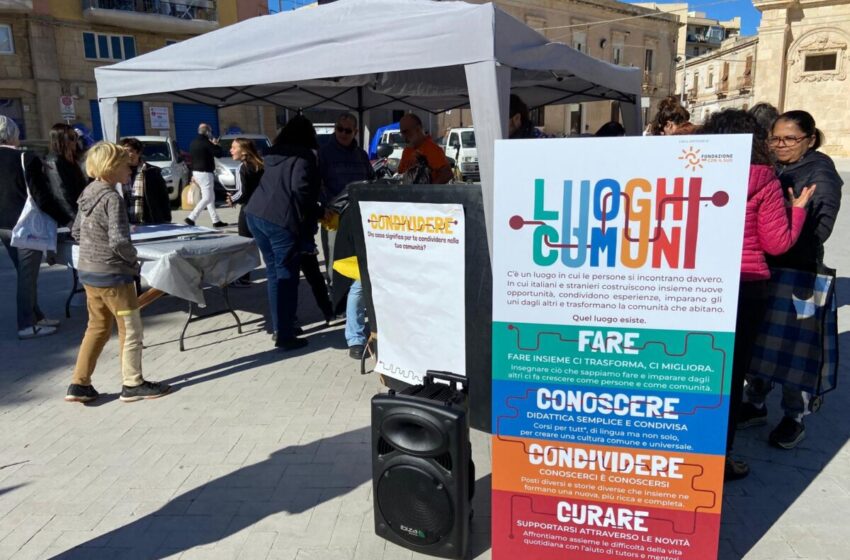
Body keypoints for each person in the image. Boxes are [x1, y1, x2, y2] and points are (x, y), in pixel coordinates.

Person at [700, 109, 814, 479]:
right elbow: (776, 244)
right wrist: (797, 211)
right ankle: (723, 459)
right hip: (746, 288)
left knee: (696, 374)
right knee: (731, 378)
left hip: (696, 287)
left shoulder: (691, 174)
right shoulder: (764, 179)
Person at [739, 110, 844, 449]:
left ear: (809, 139)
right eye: (775, 138)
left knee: (795, 354)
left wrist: (782, 222)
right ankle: (755, 403)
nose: (780, 145)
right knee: (761, 344)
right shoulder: (773, 168)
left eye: (789, 139)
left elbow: (819, 231)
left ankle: (793, 417)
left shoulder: (821, 174)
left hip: (801, 274)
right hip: (768, 269)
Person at [65, 141, 171, 403]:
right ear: (111, 168)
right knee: (131, 329)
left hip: (89, 273)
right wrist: (134, 260)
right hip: (114, 276)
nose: (130, 168)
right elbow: (119, 241)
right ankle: (133, 383)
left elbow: (76, 231)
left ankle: (79, 384)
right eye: (125, 164)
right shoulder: (112, 198)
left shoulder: (89, 191)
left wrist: (94, 245)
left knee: (97, 327)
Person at [244, 116, 320, 351]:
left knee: (274, 273)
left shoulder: (273, 153)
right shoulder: (304, 156)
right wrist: (315, 212)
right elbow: (301, 189)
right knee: (286, 275)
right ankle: (285, 334)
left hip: (256, 215)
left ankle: (281, 326)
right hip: (281, 220)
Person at [0, 116, 66, 339]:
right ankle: (27, 324)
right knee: (27, 277)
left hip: (3, 226)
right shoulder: (25, 158)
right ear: (13, 134)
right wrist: (65, 219)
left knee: (24, 274)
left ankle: (36, 316)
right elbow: (42, 197)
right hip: (25, 226)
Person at [318, 113, 374, 287]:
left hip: (358, 215)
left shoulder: (361, 155)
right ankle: (335, 294)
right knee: (335, 257)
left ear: (355, 132)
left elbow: (370, 180)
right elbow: (315, 183)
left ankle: (354, 294)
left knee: (357, 256)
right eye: (339, 129)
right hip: (333, 215)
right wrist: (322, 206)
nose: (342, 133)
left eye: (347, 130)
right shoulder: (324, 153)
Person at [226, 137, 264, 287]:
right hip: (265, 209)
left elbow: (242, 193)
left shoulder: (242, 167)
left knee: (244, 245)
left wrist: (231, 199)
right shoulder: (261, 164)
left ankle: (243, 278)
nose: (231, 150)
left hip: (249, 210)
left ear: (243, 151)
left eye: (234, 147)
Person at [118, 137, 172, 225]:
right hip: (126, 221)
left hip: (148, 220)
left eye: (129, 151)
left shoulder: (152, 171)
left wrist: (166, 218)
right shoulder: (118, 172)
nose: (126, 154)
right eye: (123, 151)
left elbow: (163, 197)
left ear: (138, 152)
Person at [44, 123, 87, 227]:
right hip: (70, 219)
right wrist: (76, 220)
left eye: (76, 137)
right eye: (72, 138)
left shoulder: (73, 159)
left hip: (81, 211)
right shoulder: (54, 161)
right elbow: (61, 194)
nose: (75, 141)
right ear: (61, 140)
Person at [185, 123, 227, 228]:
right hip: (205, 173)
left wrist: (192, 175)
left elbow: (192, 159)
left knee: (210, 197)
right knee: (208, 197)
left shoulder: (193, 143)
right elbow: (219, 154)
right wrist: (216, 144)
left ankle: (216, 220)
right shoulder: (206, 143)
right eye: (210, 132)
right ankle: (191, 217)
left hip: (196, 172)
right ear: (207, 132)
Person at [397, 113, 452, 184]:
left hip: (425, 194)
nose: (404, 136)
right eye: (402, 133)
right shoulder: (407, 150)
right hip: (409, 193)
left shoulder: (433, 149)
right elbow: (401, 172)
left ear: (418, 129)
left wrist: (429, 190)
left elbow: (447, 174)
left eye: (406, 132)